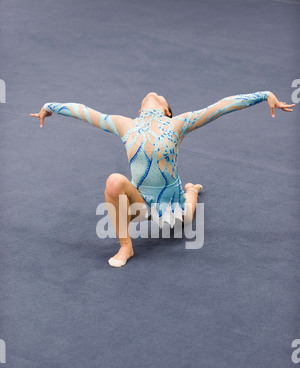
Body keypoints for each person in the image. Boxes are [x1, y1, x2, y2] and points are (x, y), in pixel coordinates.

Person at [31, 91, 294, 267]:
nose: (154, 94)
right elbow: (85, 112)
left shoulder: (178, 124)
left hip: (173, 203)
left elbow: (219, 108)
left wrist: (264, 96)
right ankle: (126, 247)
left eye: (160, 97)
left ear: (167, 111)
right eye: (150, 96)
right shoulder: (126, 124)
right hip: (141, 202)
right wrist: (49, 107)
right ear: (140, 109)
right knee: (113, 181)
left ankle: (192, 190)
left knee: (188, 217)